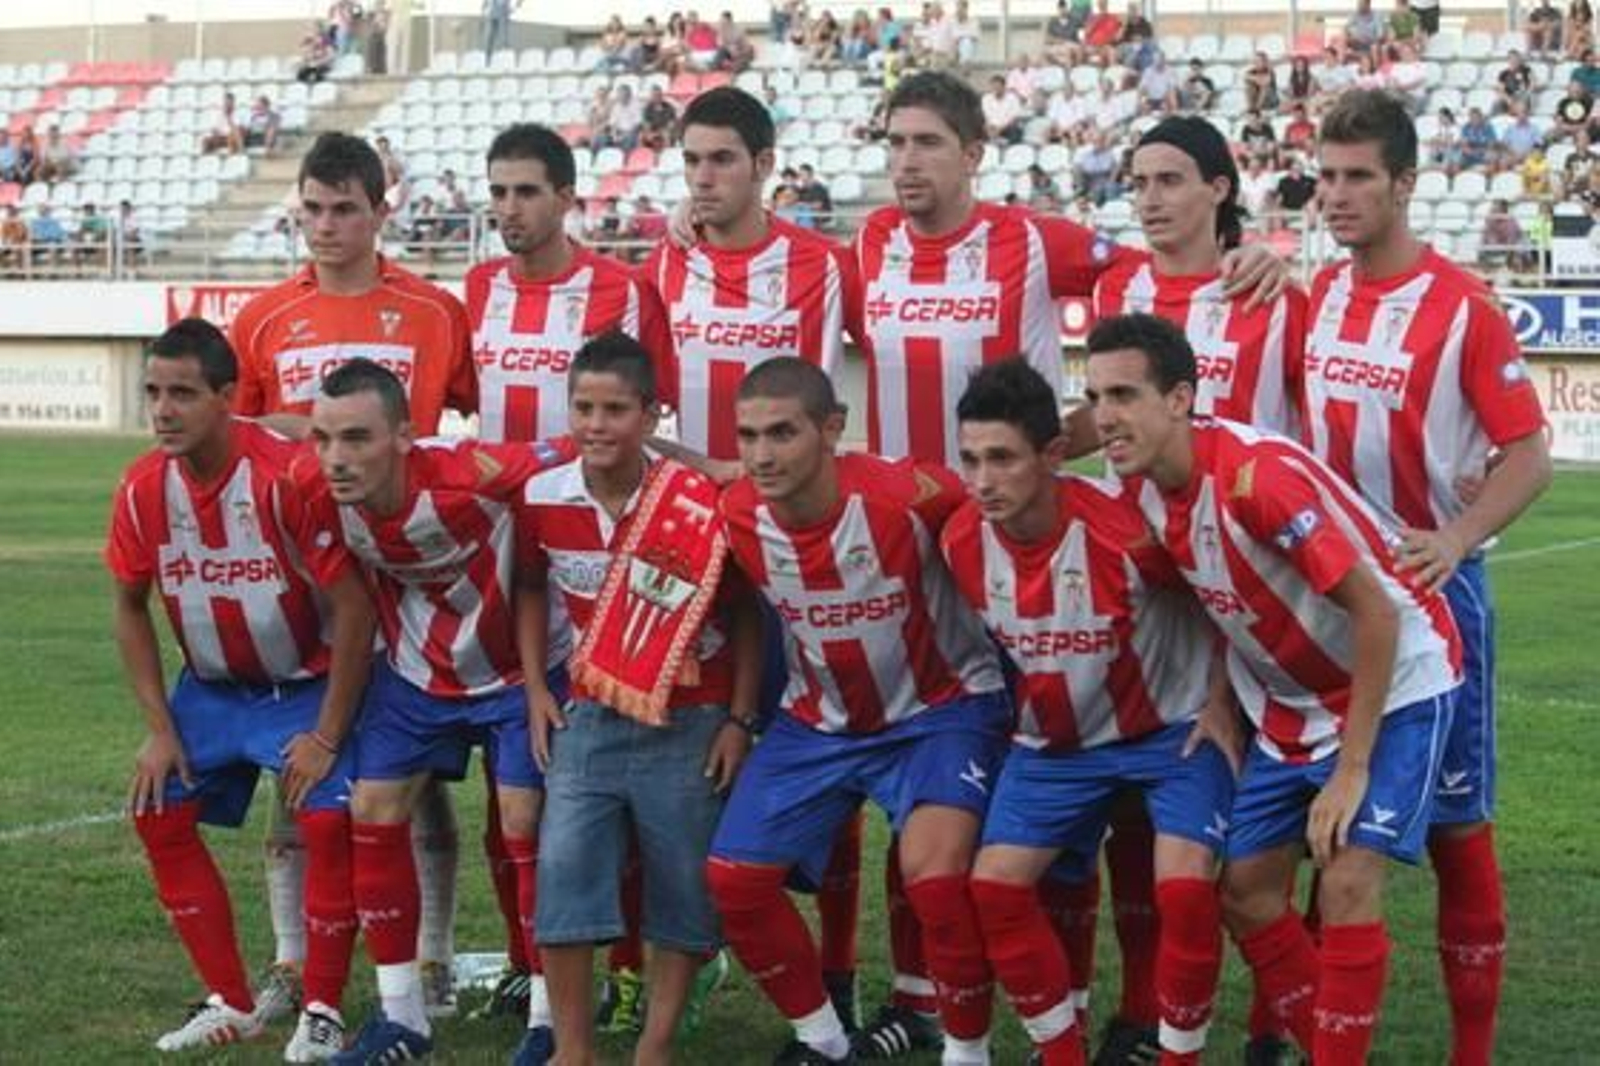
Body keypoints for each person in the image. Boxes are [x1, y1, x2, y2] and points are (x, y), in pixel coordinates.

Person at [1087, 311, 1463, 1064]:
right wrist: (1224, 701)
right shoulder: (1142, 499)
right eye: (1095, 397)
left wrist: (1352, 768)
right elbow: (1218, 601)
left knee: (1349, 876)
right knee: (1247, 896)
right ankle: (1329, 1040)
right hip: (1288, 708)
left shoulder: (1258, 482)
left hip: (1397, 686)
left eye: (1124, 395)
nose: (1105, 417)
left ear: (1180, 399)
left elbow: (1378, 615)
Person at [1307, 89, 1553, 1066]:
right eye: (1325, 176)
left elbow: (1527, 452)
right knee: (1320, 831)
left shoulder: (1462, 307)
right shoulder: (1314, 295)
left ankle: (1471, 1052)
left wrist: (1454, 538)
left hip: (1436, 607)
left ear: (1404, 184)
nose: (1337, 195)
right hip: (1328, 605)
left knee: (1458, 831)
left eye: (1358, 176)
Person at [228, 132, 477, 1024]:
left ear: (382, 209)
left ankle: (438, 958)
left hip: (410, 585)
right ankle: (293, 961)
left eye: (345, 209)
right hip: (301, 586)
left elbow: (459, 438)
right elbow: (243, 447)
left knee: (417, 786)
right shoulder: (259, 319)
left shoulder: (434, 312)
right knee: (295, 778)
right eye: (313, 208)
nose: (326, 226)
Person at [708, 358, 1011, 1066]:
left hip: (940, 711)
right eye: (748, 436)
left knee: (934, 876)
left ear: (833, 429)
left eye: (782, 433)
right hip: (819, 721)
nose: (761, 454)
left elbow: (1002, 500)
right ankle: (824, 1041)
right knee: (734, 881)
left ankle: (964, 1049)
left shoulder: (905, 494)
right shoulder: (733, 510)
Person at [944, 358, 1241, 1066]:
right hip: (1054, 747)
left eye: (1003, 459)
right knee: (993, 888)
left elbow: (1229, 604)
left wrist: (1224, 703)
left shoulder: (1129, 532)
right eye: (970, 460)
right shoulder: (959, 538)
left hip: (1169, 733)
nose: (984, 480)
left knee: (1185, 889)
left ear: (1052, 454)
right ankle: (1064, 1055)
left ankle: (1178, 1058)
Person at [292, 359, 573, 1064]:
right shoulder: (313, 491)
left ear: (405, 436)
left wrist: (710, 465)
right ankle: (403, 1019)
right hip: (419, 675)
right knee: (373, 811)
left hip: (517, 671)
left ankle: (549, 1020)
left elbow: (587, 444)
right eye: (322, 438)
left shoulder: (471, 474)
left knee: (523, 820)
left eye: (357, 438)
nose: (336, 458)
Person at [108, 318, 372, 1061]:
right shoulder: (140, 490)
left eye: (183, 393)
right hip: (214, 691)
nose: (163, 409)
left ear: (228, 397)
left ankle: (321, 1007)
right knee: (159, 812)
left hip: (304, 685)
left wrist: (325, 735)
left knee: (327, 821)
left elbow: (355, 608)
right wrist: (160, 729)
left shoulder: (285, 477)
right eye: (154, 391)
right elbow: (128, 606)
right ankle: (230, 1001)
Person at [518, 331, 760, 1066]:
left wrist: (740, 721)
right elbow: (529, 586)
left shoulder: (693, 501)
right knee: (562, 869)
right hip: (589, 712)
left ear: (652, 415)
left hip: (693, 717)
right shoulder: (542, 494)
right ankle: (573, 1049)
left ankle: (654, 1046)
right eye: (583, 407)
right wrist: (534, 686)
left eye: (615, 409)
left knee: (683, 884)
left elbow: (747, 613)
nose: (595, 424)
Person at [642, 86, 860, 465]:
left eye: (722, 159)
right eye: (692, 161)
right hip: (693, 501)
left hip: (791, 507)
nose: (702, 179)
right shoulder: (666, 261)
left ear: (764, 164)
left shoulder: (828, 266)